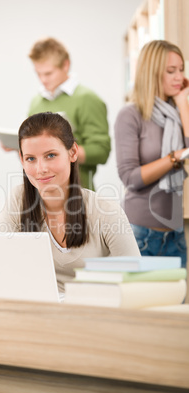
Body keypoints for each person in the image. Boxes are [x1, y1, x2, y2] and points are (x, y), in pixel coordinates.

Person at [0, 112, 140, 293]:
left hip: (95, 310)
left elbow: (135, 282)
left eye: (50, 155)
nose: (41, 169)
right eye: (31, 158)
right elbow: (1, 268)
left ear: (72, 153)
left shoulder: (106, 211)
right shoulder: (17, 200)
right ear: (22, 160)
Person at [115, 40, 189, 267]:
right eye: (170, 71)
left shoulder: (180, 115)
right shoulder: (131, 115)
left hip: (175, 233)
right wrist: (174, 158)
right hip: (140, 234)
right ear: (153, 72)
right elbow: (130, 178)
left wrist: (183, 104)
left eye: (181, 70)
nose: (179, 77)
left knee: (176, 303)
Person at [27, 37, 111, 190]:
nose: (42, 80)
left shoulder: (87, 99)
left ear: (65, 65)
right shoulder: (36, 103)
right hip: (41, 194)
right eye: (38, 74)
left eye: (48, 73)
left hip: (77, 192)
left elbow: (101, 151)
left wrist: (63, 153)